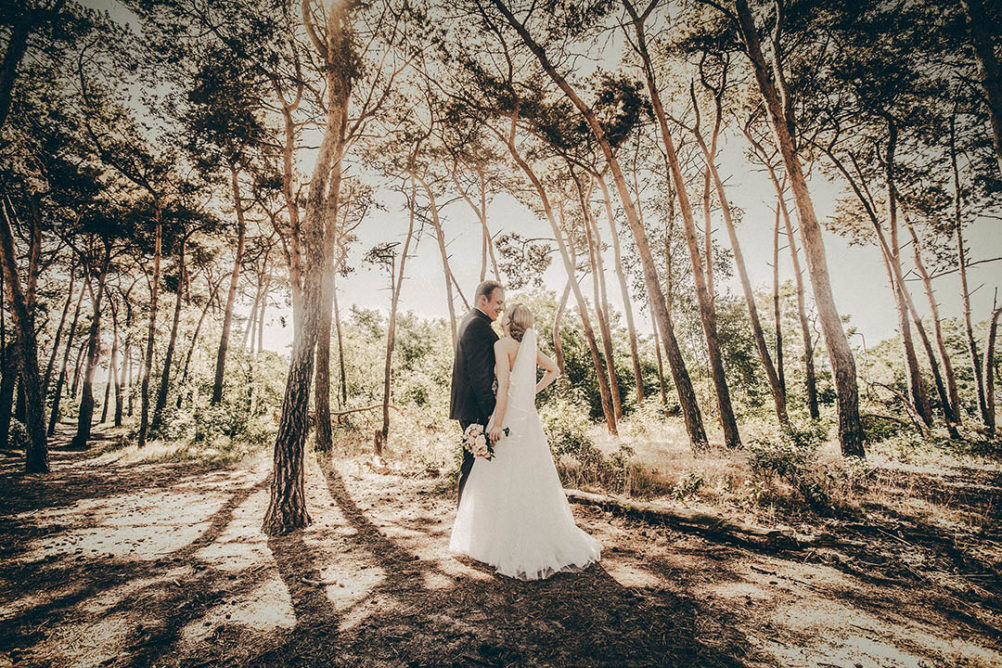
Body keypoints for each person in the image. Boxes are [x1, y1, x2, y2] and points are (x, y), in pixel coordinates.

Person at [449, 303, 602, 580]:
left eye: (505, 315)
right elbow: (554, 370)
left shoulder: (503, 346)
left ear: (509, 322)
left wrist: (496, 423)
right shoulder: (528, 348)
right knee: (529, 474)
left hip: (507, 416)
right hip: (527, 418)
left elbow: (504, 388)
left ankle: (497, 539)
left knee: (500, 474)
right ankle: (537, 533)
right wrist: (531, 391)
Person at [449, 280, 505, 505]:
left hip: (470, 407)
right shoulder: (478, 326)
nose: (501, 308)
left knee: (475, 462)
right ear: (484, 299)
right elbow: (479, 375)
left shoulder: (472, 322)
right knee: (473, 463)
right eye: (498, 302)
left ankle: (471, 516)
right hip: (475, 409)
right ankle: (465, 516)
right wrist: (491, 411)